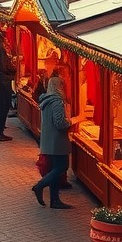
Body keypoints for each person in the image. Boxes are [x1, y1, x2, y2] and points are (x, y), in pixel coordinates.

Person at [31, 77, 77, 209]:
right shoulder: (57, 102)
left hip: (48, 141)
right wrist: (73, 120)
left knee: (55, 170)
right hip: (57, 142)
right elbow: (59, 123)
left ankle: (55, 200)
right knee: (61, 167)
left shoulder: (46, 100)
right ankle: (39, 186)